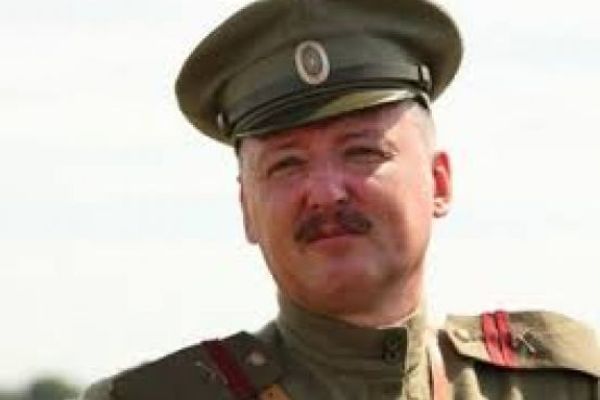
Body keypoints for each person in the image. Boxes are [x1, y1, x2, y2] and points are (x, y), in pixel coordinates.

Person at [81, 0, 600, 399]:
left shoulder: (565, 386)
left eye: (361, 152)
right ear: (246, 210)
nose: (326, 192)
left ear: (439, 182)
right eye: (287, 164)